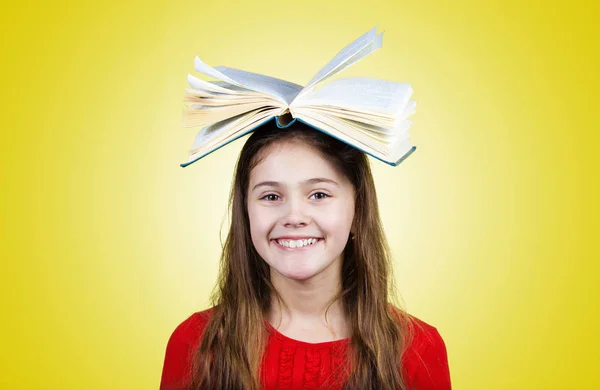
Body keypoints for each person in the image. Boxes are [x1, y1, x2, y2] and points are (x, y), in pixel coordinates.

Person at [160, 121, 451, 389]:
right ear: (245, 212)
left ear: (358, 209)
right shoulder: (194, 343)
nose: (294, 217)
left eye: (319, 195)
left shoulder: (419, 349)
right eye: (271, 197)